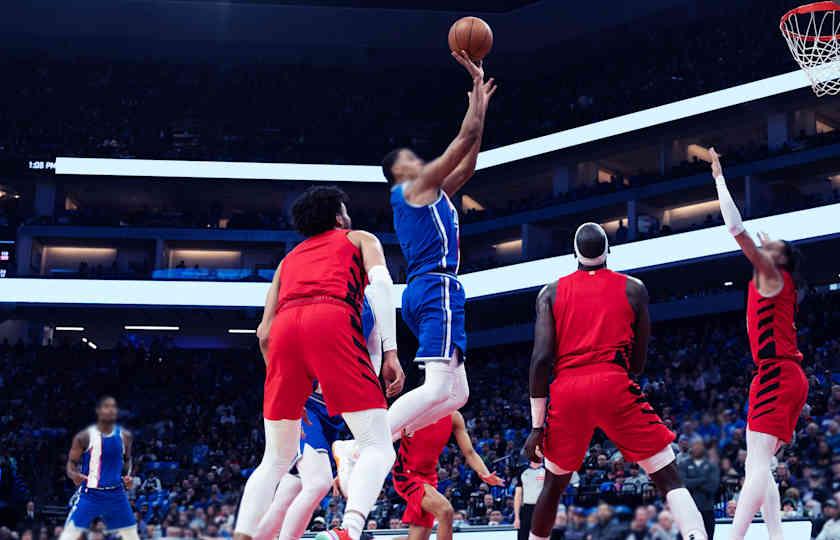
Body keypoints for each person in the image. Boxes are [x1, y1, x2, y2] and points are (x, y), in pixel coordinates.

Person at [233, 186, 405, 540]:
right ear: (340, 216)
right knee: (377, 445)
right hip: (329, 317)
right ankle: (349, 530)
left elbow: (263, 332)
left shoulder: (288, 260)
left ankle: (242, 535)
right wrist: (390, 351)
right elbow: (384, 285)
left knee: (275, 460)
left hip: (284, 332)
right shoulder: (358, 238)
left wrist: (284, 383)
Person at [523, 222, 707, 540]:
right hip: (613, 381)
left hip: (567, 390)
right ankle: (695, 535)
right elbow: (638, 359)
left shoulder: (549, 292)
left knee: (553, 485)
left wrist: (537, 427)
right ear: (609, 251)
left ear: (574, 254)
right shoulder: (634, 288)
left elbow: (540, 359)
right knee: (667, 476)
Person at [376, 49, 496, 441]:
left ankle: (394, 436)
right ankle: (367, 443)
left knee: (457, 393)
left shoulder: (432, 193)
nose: (417, 159)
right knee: (436, 387)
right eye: (410, 158)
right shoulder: (412, 188)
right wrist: (475, 85)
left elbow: (470, 160)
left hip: (426, 288)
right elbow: (464, 138)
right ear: (398, 171)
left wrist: (480, 106)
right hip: (434, 286)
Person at [709, 148, 808, 540]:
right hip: (783, 375)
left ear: (777, 261)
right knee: (759, 463)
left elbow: (735, 227)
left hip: (778, 374)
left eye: (773, 249)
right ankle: (776, 537)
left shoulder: (771, 274)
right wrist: (773, 248)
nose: (764, 249)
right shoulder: (776, 280)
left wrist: (719, 176)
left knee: (758, 464)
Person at [251, 292, 385, 540]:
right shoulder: (312, 296)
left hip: (338, 408)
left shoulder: (367, 300)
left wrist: (367, 384)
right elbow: (266, 337)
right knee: (318, 483)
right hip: (305, 405)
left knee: (291, 492)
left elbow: (374, 344)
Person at [392, 411, 502, 540]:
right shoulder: (415, 409)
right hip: (406, 474)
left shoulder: (454, 417)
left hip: (429, 478)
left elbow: (469, 452)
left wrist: (485, 473)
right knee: (445, 511)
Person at [60, 396, 138, 540]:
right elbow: (71, 463)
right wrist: (73, 475)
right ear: (98, 411)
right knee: (68, 536)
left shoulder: (126, 436)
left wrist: (127, 476)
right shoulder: (84, 437)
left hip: (116, 493)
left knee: (132, 536)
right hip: (90, 494)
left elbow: (127, 460)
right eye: (106, 406)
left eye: (113, 407)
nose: (110, 410)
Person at [679, 441, 720, 539]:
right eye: (695, 446)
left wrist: (693, 482)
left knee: (709, 537)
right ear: (691, 448)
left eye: (699, 446)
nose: (697, 449)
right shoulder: (684, 464)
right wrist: (703, 479)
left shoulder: (711, 465)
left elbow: (713, 487)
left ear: (703, 449)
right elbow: (683, 483)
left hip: (707, 508)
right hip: (690, 509)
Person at [514, 461, 545, 540]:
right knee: (523, 536)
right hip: (526, 509)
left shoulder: (547, 470)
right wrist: (516, 517)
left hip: (542, 509)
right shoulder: (522, 470)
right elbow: (518, 496)